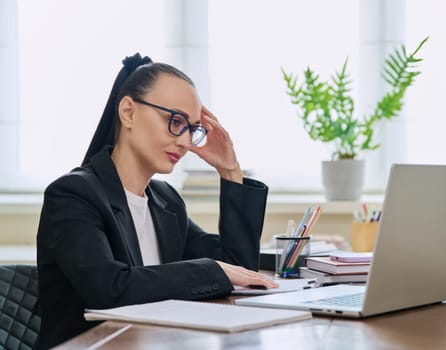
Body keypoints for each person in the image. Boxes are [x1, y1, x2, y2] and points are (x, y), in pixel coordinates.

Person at [36, 53, 278, 349]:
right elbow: (110, 290)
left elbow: (238, 269)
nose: (186, 142)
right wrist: (211, 269)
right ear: (129, 112)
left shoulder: (166, 202)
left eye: (192, 129)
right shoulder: (73, 195)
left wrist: (230, 170)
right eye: (175, 122)